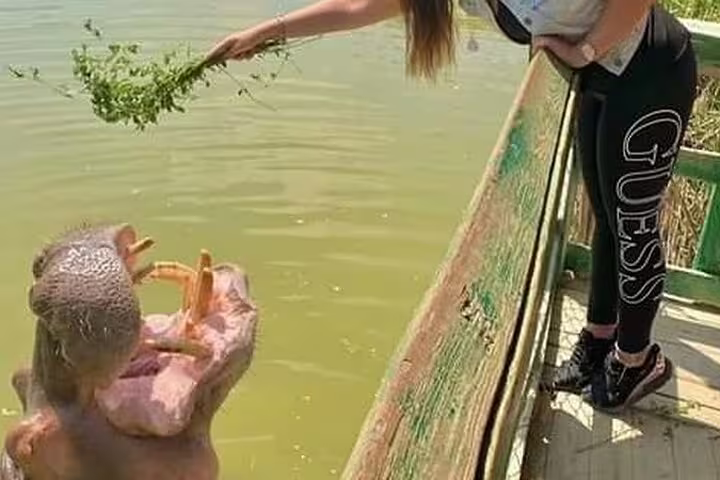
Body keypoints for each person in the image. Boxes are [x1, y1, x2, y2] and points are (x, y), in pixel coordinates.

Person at [205, 0, 698, 412]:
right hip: (599, 78)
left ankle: (638, 359)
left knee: (631, 223)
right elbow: (355, 8)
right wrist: (263, 33)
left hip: (650, 70)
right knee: (607, 219)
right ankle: (599, 338)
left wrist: (584, 49)